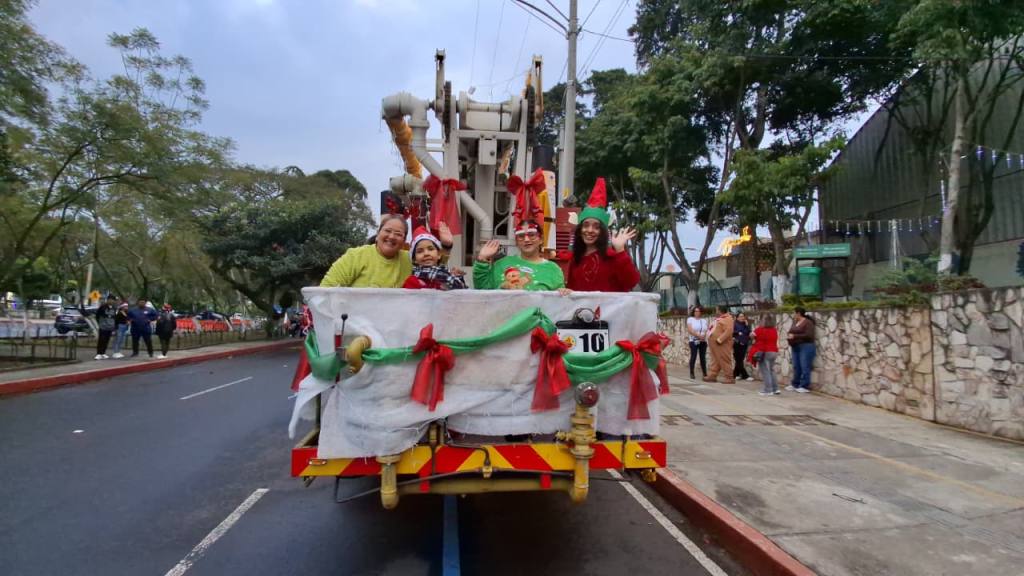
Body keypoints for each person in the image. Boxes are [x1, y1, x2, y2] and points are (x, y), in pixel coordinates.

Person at [321, 215, 453, 288]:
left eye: (398, 234)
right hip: (357, 327)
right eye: (387, 231)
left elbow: (434, 265)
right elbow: (327, 288)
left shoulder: (410, 259)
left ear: (403, 242)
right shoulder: (356, 256)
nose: (391, 237)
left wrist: (446, 246)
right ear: (378, 234)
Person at [561, 178, 640, 292]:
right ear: (580, 229)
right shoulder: (576, 259)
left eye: (596, 227)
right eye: (586, 225)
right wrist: (567, 292)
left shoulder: (613, 257)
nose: (590, 230)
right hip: (583, 310)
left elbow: (631, 282)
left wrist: (620, 250)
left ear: (602, 231)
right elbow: (574, 291)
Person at [473, 220, 565, 290]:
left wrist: (565, 293)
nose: (526, 239)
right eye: (521, 236)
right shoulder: (502, 264)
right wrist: (482, 258)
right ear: (516, 242)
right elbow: (482, 289)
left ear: (541, 239)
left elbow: (559, 303)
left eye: (531, 235)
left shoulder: (553, 269)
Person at [402, 225, 467, 290]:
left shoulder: (449, 276)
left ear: (439, 254)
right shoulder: (412, 281)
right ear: (414, 259)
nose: (426, 254)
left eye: (430, 249)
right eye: (420, 251)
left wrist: (458, 277)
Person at [786, 307, 817, 393]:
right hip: (795, 346)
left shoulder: (808, 322)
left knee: (805, 366)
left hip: (806, 346)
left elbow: (809, 335)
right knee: (796, 366)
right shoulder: (795, 322)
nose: (793, 315)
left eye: (794, 313)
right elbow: (791, 331)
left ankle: (804, 385)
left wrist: (795, 336)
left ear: (798, 313)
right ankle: (795, 383)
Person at [748, 316, 780, 396]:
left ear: (763, 321)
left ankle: (768, 390)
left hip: (765, 352)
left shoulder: (759, 329)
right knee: (771, 370)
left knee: (765, 371)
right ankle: (776, 389)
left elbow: (751, 335)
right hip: (774, 351)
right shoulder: (774, 330)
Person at [703, 306, 735, 384]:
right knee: (715, 359)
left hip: (721, 343)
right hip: (714, 343)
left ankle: (729, 377)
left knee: (724, 359)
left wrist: (720, 339)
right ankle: (712, 375)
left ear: (720, 311)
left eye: (717, 310)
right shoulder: (720, 318)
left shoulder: (728, 319)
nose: (716, 311)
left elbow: (729, 331)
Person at [686, 306, 709, 380]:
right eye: (695, 311)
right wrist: (698, 335)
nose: (697, 313)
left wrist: (703, 336)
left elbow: (706, 330)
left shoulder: (704, 320)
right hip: (693, 340)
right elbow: (690, 330)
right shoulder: (690, 319)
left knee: (703, 357)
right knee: (694, 356)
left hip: (702, 341)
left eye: (698, 311)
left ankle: (705, 373)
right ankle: (692, 372)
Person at [94, 294, 118, 360]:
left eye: (113, 300)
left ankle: (103, 353)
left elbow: (115, 317)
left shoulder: (114, 308)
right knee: (101, 340)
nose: (111, 301)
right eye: (110, 299)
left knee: (106, 340)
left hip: (110, 327)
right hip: (103, 326)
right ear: (107, 300)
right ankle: (99, 353)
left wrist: (114, 326)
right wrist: (100, 323)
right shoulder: (103, 307)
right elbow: (97, 316)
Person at [733, 312, 753, 381]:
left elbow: (749, 332)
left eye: (743, 316)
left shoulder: (745, 324)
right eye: (740, 316)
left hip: (744, 344)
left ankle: (736, 374)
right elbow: (732, 332)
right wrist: (738, 332)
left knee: (740, 360)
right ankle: (745, 376)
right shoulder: (734, 324)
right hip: (737, 344)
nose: (742, 318)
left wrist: (747, 325)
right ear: (737, 317)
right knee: (738, 360)